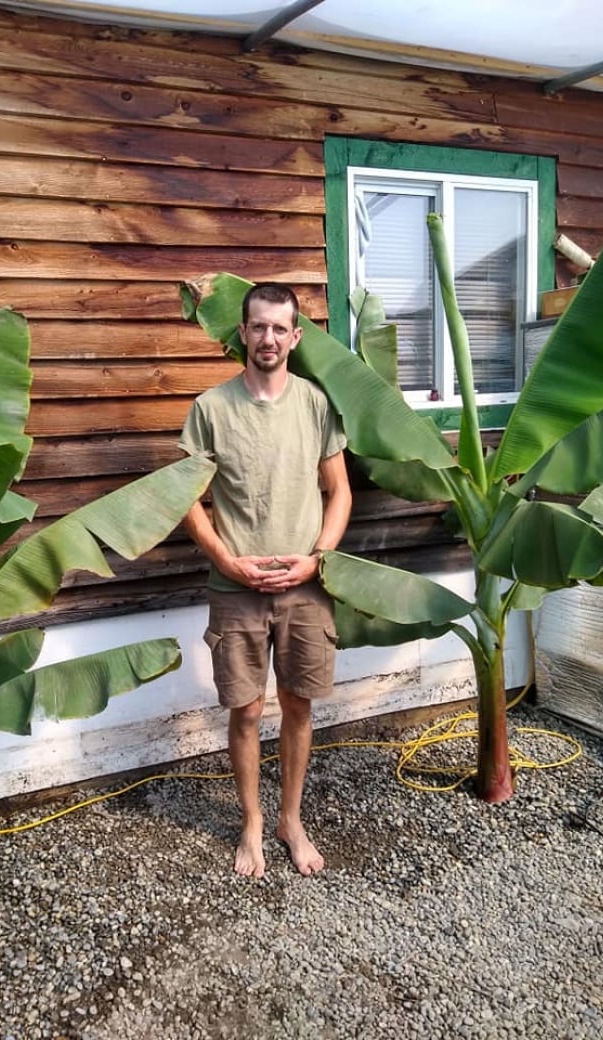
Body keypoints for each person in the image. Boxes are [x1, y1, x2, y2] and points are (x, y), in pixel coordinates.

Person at [179, 282, 352, 879]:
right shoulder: (210, 409)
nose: (269, 338)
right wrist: (227, 562)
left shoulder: (314, 404)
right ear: (243, 334)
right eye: (258, 327)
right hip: (236, 591)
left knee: (299, 707)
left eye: (280, 328)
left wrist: (318, 558)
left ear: (294, 337)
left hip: (305, 586)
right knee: (247, 712)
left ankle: (291, 818)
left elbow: (339, 491)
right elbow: (188, 502)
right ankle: (252, 822)